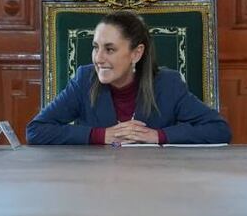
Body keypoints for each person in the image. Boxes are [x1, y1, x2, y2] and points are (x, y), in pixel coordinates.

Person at [27, 10, 231, 145]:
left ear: (136, 53)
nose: (99, 58)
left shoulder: (168, 84)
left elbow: (219, 130)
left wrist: (158, 136)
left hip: (156, 184)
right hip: (95, 184)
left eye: (110, 49)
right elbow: (36, 131)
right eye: (96, 47)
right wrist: (100, 135)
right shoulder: (84, 80)